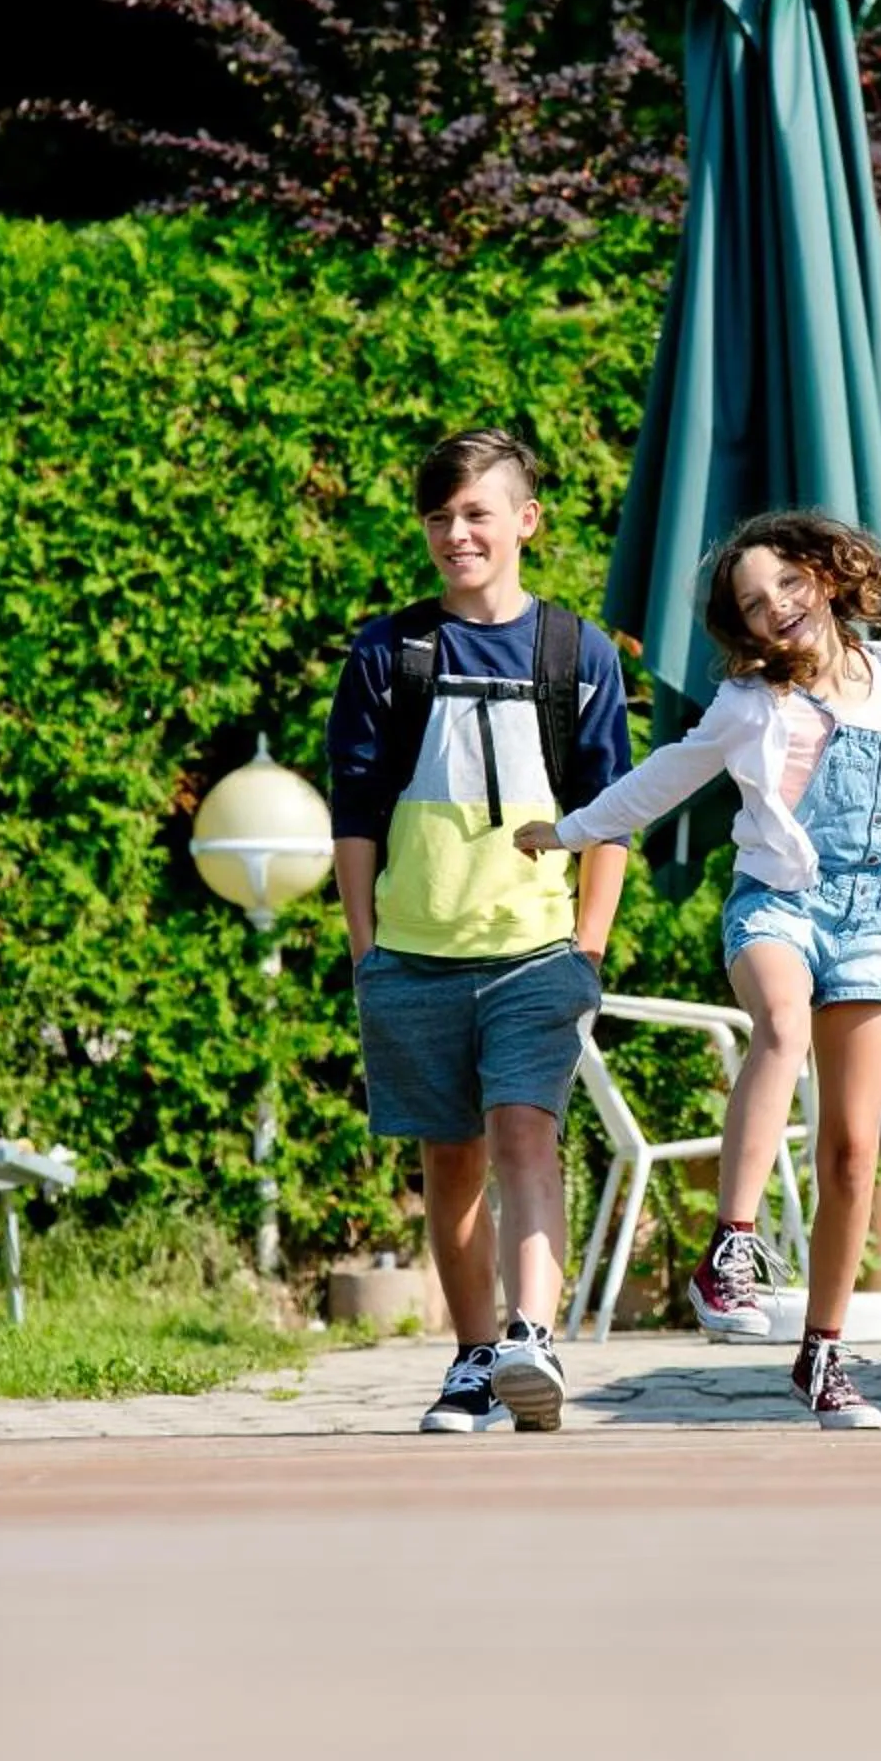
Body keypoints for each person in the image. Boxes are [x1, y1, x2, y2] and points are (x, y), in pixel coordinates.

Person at [516, 511, 881, 1430]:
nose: (778, 609)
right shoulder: (750, 703)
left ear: (825, 577)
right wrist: (567, 832)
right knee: (782, 1027)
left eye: (788, 585)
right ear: (745, 628)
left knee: (853, 1150)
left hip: (870, 921)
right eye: (756, 605)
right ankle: (730, 1245)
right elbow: (664, 777)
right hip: (776, 906)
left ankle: (823, 1353)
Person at [327, 428, 633, 1435]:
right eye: (438, 517)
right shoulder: (389, 653)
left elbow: (610, 812)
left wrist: (589, 946)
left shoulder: (577, 653)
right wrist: (366, 947)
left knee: (524, 1134)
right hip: (414, 956)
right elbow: (355, 811)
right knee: (450, 1164)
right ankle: (472, 1361)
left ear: (526, 521)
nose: (456, 533)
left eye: (476, 513)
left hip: (536, 953)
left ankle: (529, 1340)